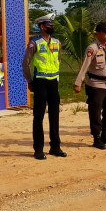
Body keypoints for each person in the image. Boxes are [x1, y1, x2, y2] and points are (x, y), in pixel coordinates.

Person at [22, 13, 66, 160]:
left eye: (52, 25)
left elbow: (58, 60)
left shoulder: (56, 42)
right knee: (38, 116)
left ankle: (55, 147)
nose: (51, 27)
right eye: (48, 25)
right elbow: (26, 63)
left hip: (53, 81)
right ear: (42, 26)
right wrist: (30, 80)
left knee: (55, 115)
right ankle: (38, 149)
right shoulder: (34, 43)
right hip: (40, 81)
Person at [74, 22, 106, 149]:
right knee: (95, 112)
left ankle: (105, 134)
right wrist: (78, 83)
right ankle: (97, 138)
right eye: (105, 33)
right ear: (98, 34)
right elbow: (85, 66)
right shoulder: (92, 48)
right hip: (95, 84)